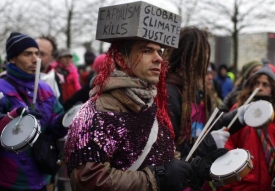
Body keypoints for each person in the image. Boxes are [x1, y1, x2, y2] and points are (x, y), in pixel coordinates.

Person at [64, 3, 227, 191]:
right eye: (147, 50)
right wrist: (156, 178)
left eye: (160, 51)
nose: (158, 58)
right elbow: (89, 181)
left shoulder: (151, 105)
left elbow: (165, 158)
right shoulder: (95, 112)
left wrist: (191, 170)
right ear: (121, 58)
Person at [0, 32, 68, 191]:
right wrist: (15, 117)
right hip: (10, 178)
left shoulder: (46, 89)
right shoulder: (2, 88)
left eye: (37, 54)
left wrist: (65, 120)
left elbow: (55, 127)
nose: (34, 59)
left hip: (40, 175)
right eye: (27, 54)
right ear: (12, 58)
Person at [218, 65, 275, 191]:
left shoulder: (273, 116)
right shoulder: (240, 112)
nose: (260, 87)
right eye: (257, 83)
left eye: (265, 84)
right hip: (243, 184)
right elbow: (227, 147)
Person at [36, 35, 64, 104]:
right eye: (35, 52)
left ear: (52, 58)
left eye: (42, 54)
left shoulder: (56, 78)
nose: (36, 57)